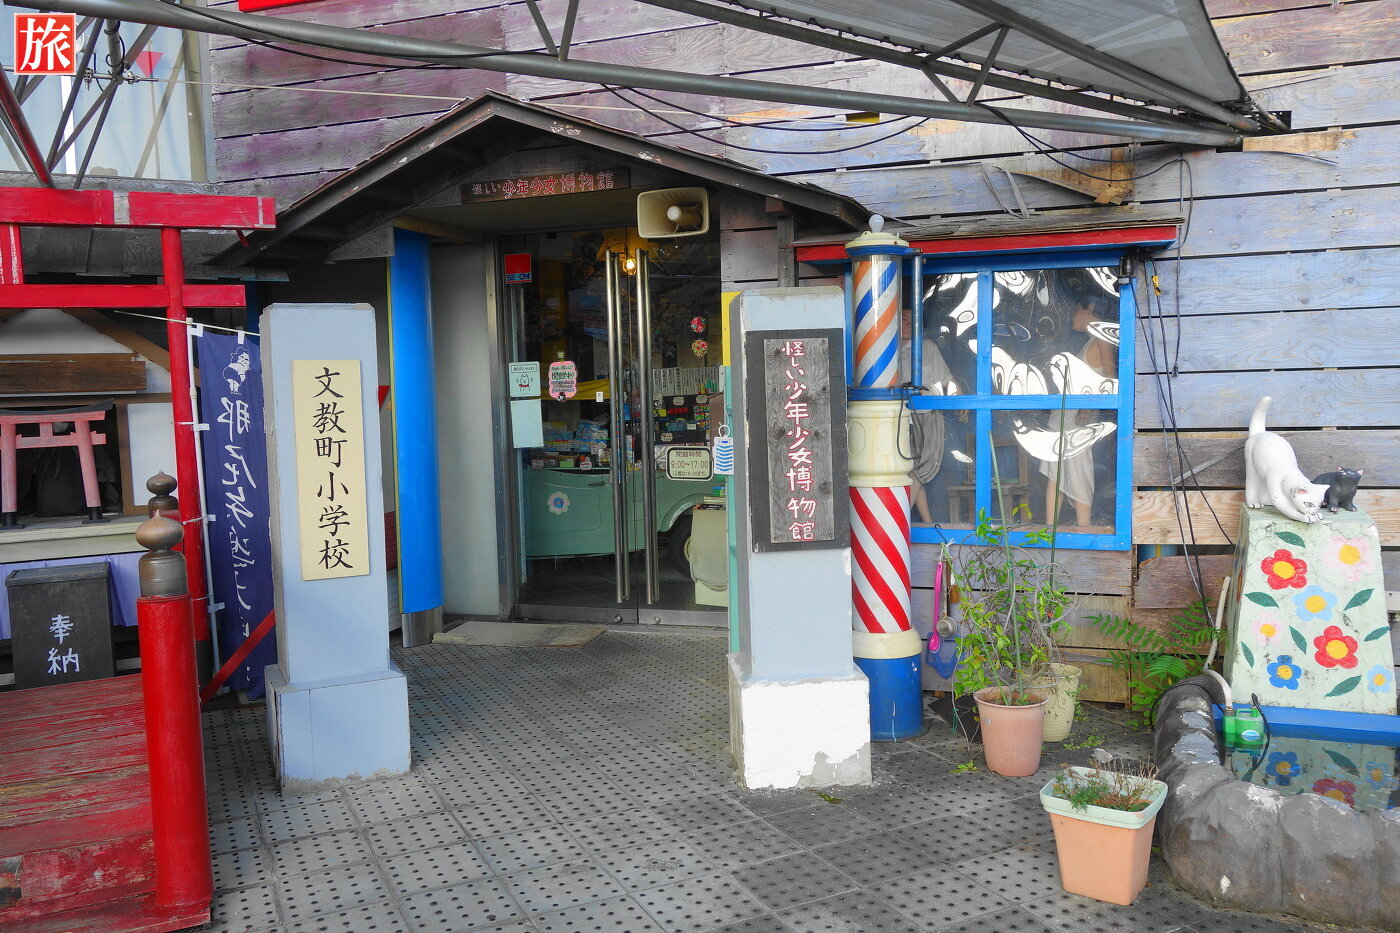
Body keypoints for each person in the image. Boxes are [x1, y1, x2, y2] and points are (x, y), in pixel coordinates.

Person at [1037, 297, 1116, 528]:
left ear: (1089, 309)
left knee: (1077, 472)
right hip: (1066, 417)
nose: (1072, 317)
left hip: (1076, 419)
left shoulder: (1102, 338)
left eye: (1076, 311)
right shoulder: (1092, 340)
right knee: (1057, 473)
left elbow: (1110, 378)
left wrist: (1089, 404)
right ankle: (1052, 530)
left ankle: (1083, 528)